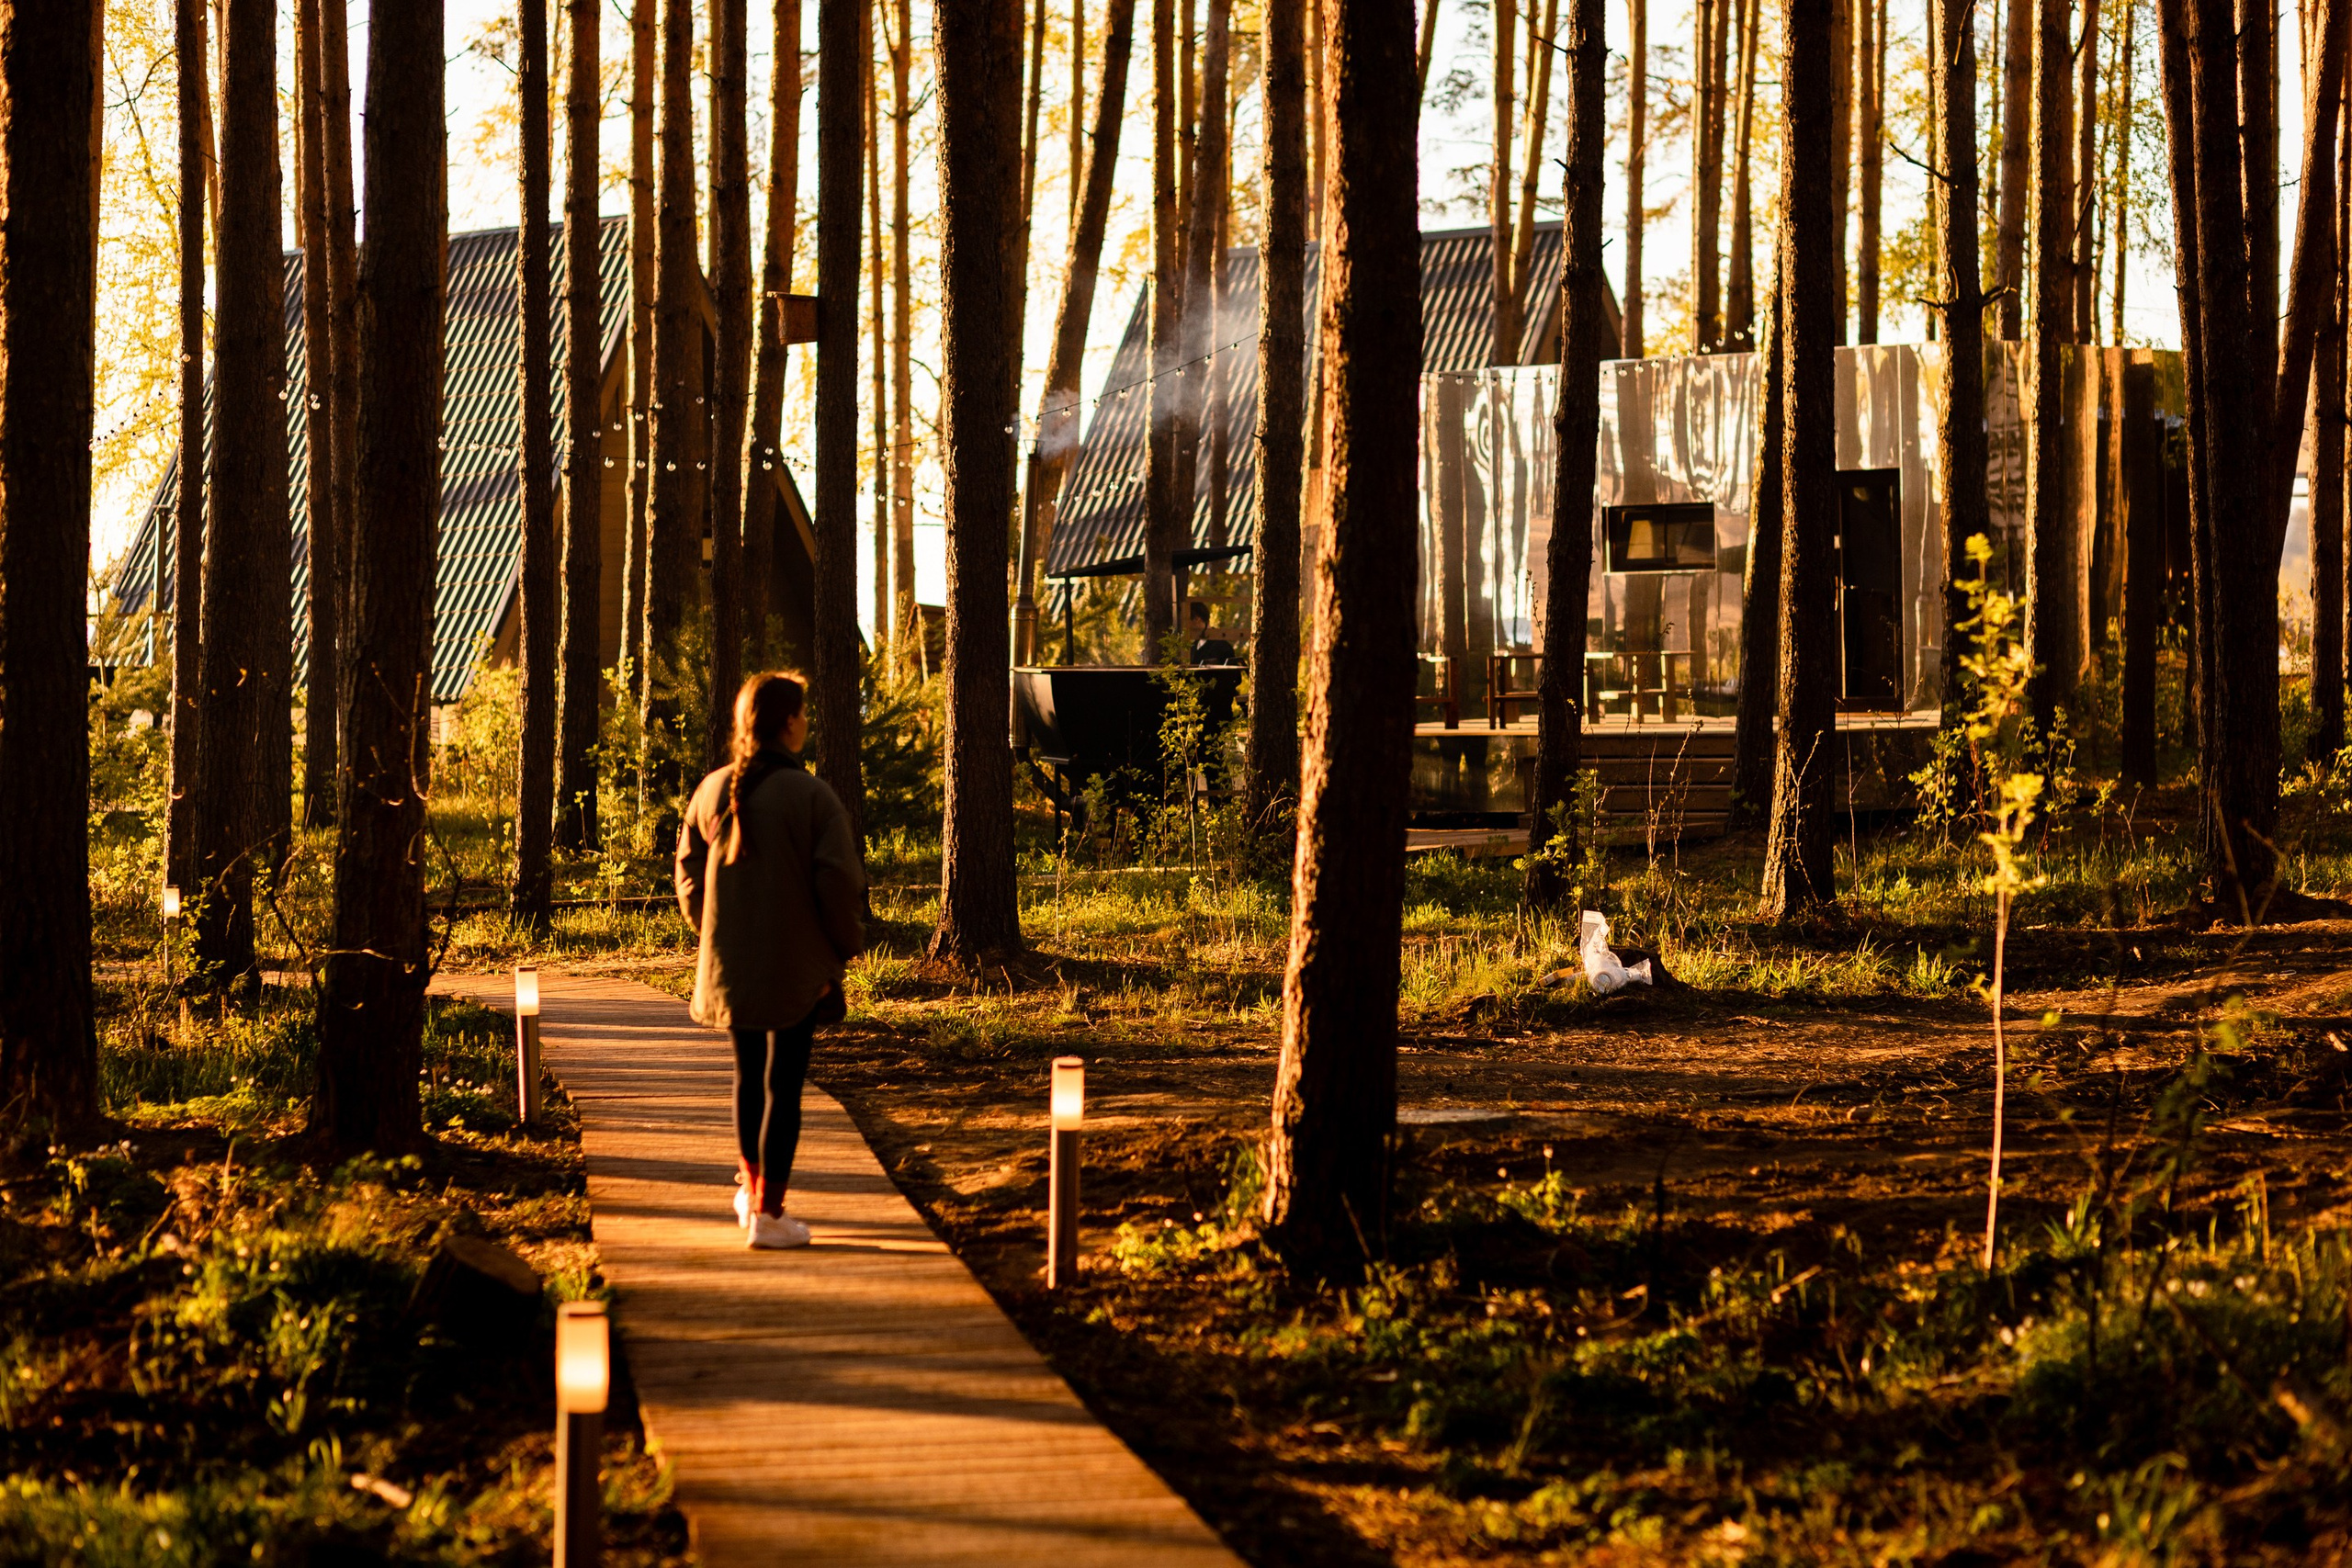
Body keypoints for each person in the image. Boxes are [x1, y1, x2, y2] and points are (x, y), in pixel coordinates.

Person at [675, 671, 865, 1249]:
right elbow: (838, 882)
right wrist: (844, 947)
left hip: (733, 964)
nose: (805, 723)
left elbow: (687, 879)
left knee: (746, 1079)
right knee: (784, 1084)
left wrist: (716, 932)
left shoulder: (711, 790)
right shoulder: (812, 796)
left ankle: (751, 1194)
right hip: (797, 968)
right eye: (802, 714)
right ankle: (770, 1213)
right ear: (788, 722)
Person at [1187, 598, 1236, 666]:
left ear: (1196, 619)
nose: (1185, 625)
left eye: (1187, 620)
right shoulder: (1193, 647)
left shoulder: (1222, 646)